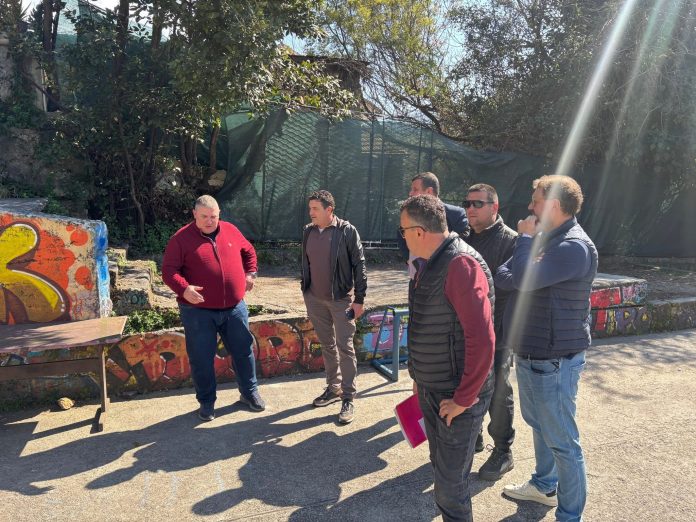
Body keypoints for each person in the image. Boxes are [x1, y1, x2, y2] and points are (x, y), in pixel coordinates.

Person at [495, 175, 598, 522]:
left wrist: (525, 241)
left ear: (553, 205)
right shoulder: (547, 241)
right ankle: (544, 485)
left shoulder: (573, 247)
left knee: (563, 442)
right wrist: (526, 258)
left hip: (554, 361)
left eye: (535, 200)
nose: (529, 207)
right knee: (540, 426)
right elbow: (505, 275)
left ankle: (569, 516)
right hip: (532, 353)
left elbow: (521, 278)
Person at [401, 194, 495, 522]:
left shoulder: (460, 265)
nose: (402, 237)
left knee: (450, 487)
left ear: (419, 232)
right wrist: (418, 376)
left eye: (403, 230)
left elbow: (482, 340)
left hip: (455, 395)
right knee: (441, 471)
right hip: (433, 387)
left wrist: (463, 399)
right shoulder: (431, 262)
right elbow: (426, 324)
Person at [162, 195, 265, 422]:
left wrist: (251, 273)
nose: (210, 221)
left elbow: (249, 251)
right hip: (198, 311)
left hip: (234, 308)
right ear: (194, 215)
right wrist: (184, 288)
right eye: (204, 217)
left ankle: (249, 393)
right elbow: (169, 271)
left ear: (219, 214)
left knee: (243, 351)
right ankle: (207, 403)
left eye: (214, 216)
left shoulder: (231, 230)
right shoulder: (181, 239)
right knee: (201, 359)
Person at [463, 183, 518, 480]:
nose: (470, 209)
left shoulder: (512, 241)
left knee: (498, 390)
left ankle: (503, 451)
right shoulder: (464, 238)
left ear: (494, 207)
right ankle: (473, 437)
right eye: (467, 203)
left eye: (478, 204)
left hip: (497, 333)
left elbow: (509, 288)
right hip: (466, 330)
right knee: (466, 385)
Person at [301, 189, 367, 425]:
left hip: (341, 300)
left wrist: (359, 299)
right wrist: (306, 290)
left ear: (329, 209)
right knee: (327, 345)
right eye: (310, 208)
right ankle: (333, 388)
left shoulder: (346, 231)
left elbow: (359, 264)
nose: (311, 213)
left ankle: (348, 397)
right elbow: (306, 262)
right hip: (314, 299)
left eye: (315, 209)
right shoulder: (308, 231)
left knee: (345, 347)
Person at [396, 172, 469, 278]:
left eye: (415, 189)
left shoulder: (456, 214)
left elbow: (464, 242)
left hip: (447, 276)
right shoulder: (409, 213)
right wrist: (409, 259)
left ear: (429, 191)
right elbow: (401, 234)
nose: (410, 193)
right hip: (417, 276)